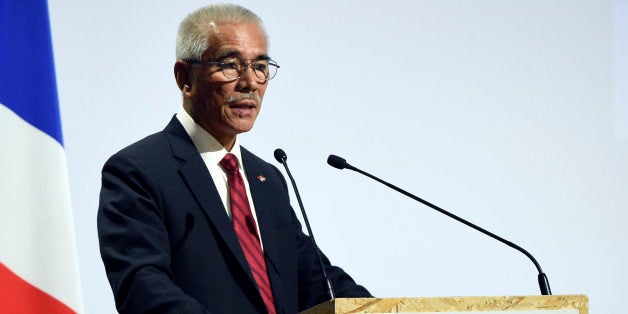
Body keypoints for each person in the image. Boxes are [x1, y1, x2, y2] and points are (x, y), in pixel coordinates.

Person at [97, 4, 371, 313]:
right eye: (230, 64)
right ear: (184, 78)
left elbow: (318, 281)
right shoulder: (138, 171)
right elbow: (143, 289)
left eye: (260, 66)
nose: (250, 82)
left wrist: (381, 309)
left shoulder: (266, 179)